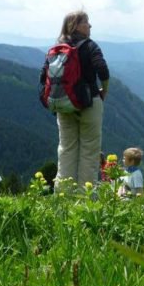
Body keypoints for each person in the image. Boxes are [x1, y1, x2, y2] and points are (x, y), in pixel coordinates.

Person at [44, 10, 109, 191]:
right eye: (86, 22)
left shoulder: (57, 49)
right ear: (76, 26)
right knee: (89, 152)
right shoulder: (90, 46)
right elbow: (102, 69)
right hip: (89, 103)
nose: (90, 25)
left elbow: (44, 77)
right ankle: (85, 198)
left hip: (64, 105)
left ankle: (63, 196)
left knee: (66, 149)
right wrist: (105, 90)